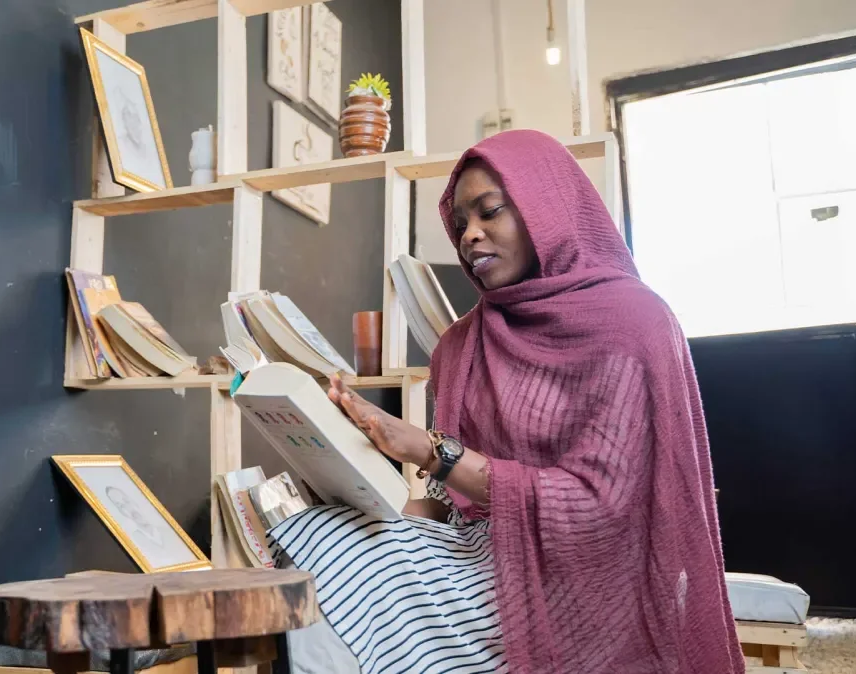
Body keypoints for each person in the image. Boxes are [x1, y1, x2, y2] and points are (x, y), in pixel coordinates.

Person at [269, 130, 744, 673]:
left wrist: (432, 452)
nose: (471, 236)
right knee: (319, 539)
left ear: (546, 208)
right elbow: (453, 512)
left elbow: (604, 507)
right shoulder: (463, 345)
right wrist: (364, 497)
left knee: (354, 571)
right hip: (484, 556)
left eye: (490, 212)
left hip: (594, 577)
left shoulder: (633, 324)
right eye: (459, 225)